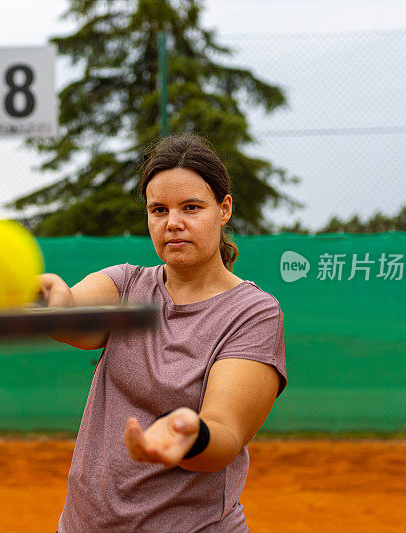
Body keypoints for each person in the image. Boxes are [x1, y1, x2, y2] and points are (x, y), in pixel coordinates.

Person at [39, 132, 287, 532]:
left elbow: (224, 433)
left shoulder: (253, 313)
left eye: (191, 207)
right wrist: (50, 300)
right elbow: (73, 317)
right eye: (158, 210)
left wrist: (190, 436)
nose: (173, 223)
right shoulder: (125, 285)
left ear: (223, 210)